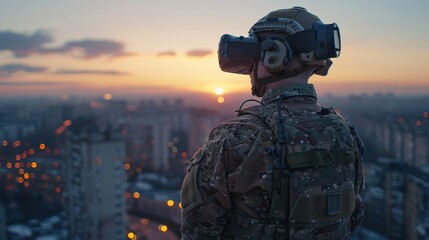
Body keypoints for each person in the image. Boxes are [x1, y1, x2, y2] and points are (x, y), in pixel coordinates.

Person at [181, 6, 365, 240]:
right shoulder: (345, 133)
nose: (250, 69)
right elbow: (354, 217)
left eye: (254, 56)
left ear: (274, 55)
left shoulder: (234, 137)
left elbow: (197, 231)